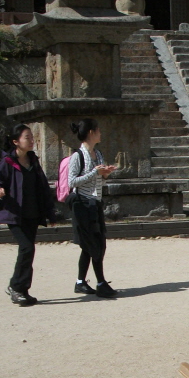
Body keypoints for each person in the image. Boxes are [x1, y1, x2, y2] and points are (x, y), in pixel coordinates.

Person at [0, 123, 56, 306]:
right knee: (27, 247)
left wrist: (50, 213)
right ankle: (15, 286)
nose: (31, 141)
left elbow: (43, 188)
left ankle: (23, 290)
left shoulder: (33, 162)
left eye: (32, 137)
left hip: (33, 214)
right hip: (15, 214)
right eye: (27, 137)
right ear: (16, 142)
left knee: (28, 250)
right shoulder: (6, 163)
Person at [67, 119, 117, 298]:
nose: (100, 133)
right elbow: (72, 182)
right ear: (91, 132)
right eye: (98, 130)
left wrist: (104, 174)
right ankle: (101, 283)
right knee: (94, 244)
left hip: (95, 203)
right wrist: (95, 172)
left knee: (92, 245)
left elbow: (98, 178)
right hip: (82, 204)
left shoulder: (98, 154)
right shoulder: (77, 156)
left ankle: (80, 282)